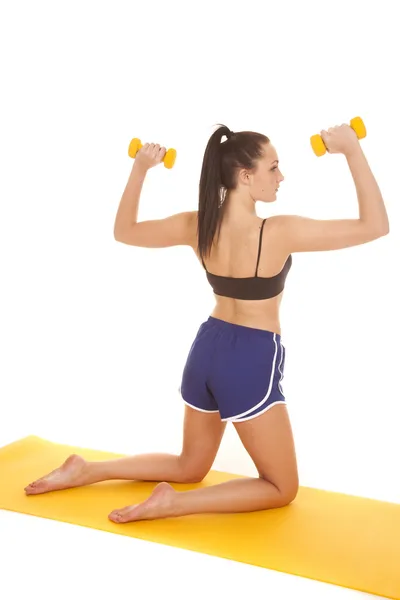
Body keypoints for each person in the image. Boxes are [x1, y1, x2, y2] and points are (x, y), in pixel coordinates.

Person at [24, 123, 389, 522]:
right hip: (249, 357)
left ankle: (90, 469)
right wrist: (352, 150)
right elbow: (375, 226)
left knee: (189, 466)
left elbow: (124, 231)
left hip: (207, 348)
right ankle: (175, 504)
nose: (281, 177)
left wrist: (141, 168)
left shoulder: (198, 224)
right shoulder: (280, 231)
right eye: (273, 168)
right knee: (282, 487)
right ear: (245, 176)